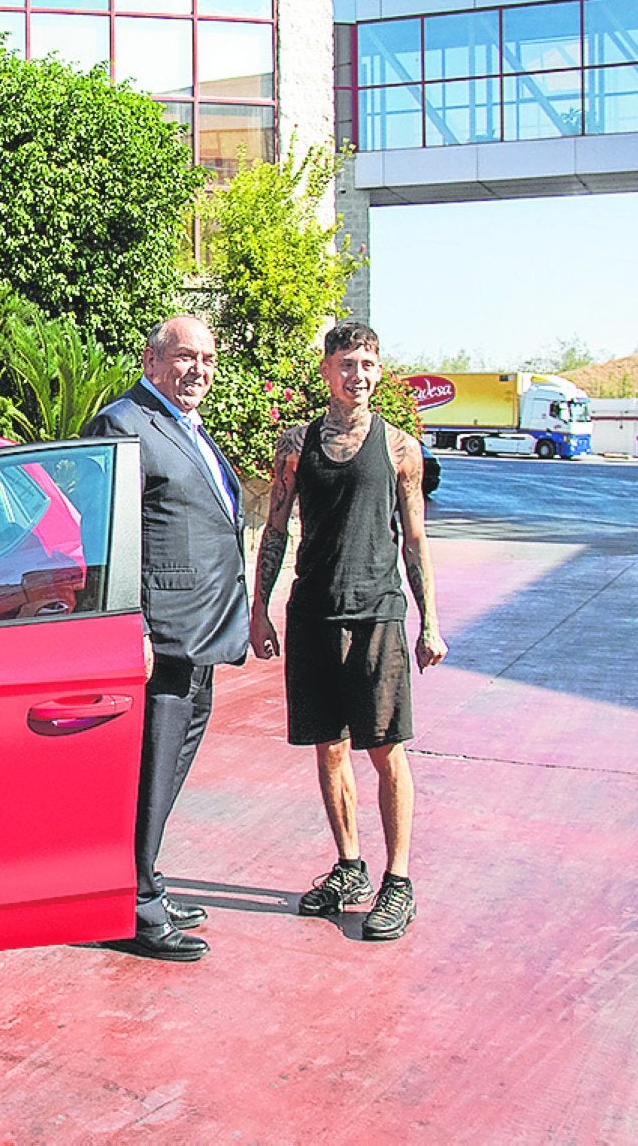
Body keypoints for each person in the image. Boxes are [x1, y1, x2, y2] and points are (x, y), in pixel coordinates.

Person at [249, 321, 447, 942]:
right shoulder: (295, 444)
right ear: (326, 370)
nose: (355, 374)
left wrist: (429, 623)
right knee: (329, 748)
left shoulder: (400, 449)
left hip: (378, 615)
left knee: (386, 751)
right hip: (312, 614)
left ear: (379, 371)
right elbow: (276, 530)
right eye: (344, 363)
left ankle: (399, 880)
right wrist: (260, 612)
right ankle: (350, 866)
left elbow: (415, 538)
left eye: (366, 363)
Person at [84, 315, 249, 962]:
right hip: (162, 638)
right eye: (185, 357)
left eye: (207, 358)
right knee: (148, 770)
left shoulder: (186, 427)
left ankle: (141, 880)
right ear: (151, 361)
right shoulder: (123, 424)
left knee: (165, 771)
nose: (199, 370)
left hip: (202, 636)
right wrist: (135, 626)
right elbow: (103, 535)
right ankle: (134, 909)